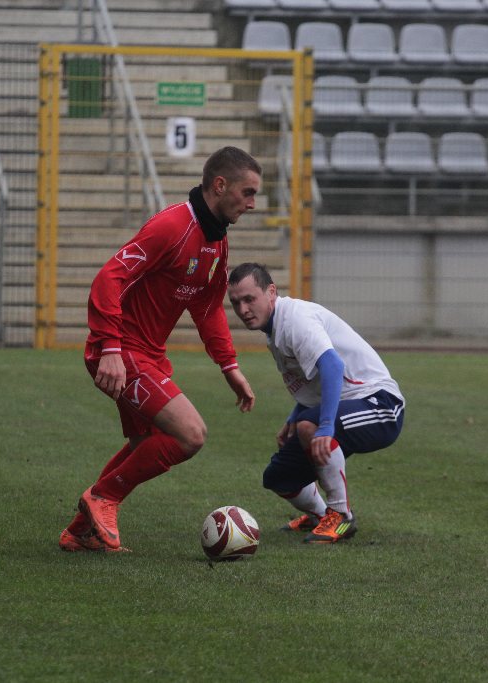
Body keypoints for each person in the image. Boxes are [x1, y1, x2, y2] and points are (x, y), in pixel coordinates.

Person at [60, 147, 261, 553]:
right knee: (190, 434)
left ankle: (80, 531)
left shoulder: (217, 244)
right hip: (121, 351)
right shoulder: (172, 226)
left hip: (146, 355)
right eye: (247, 192)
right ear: (219, 186)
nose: (252, 204)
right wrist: (111, 348)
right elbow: (108, 278)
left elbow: (206, 309)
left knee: (146, 444)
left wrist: (229, 366)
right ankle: (103, 498)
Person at [226, 263, 405, 544]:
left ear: (271, 292)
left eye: (250, 299)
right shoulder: (276, 330)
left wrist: (323, 426)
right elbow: (314, 383)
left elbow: (332, 366)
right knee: (279, 477)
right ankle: (320, 515)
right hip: (349, 404)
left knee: (310, 427)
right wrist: (294, 416)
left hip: (380, 405)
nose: (243, 309)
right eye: (236, 302)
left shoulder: (296, 319)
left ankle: (341, 516)